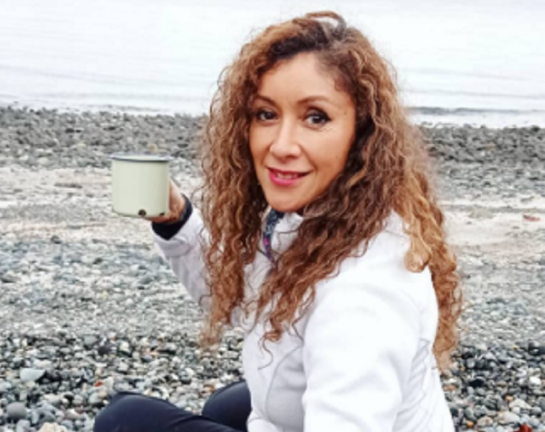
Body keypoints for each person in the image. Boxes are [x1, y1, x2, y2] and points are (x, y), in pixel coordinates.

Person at [94, 10, 462, 432]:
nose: (282, 145)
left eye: (316, 117)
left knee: (125, 419)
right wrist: (176, 220)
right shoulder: (317, 221)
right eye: (266, 114)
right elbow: (242, 300)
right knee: (227, 405)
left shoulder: (364, 295)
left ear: (361, 135)